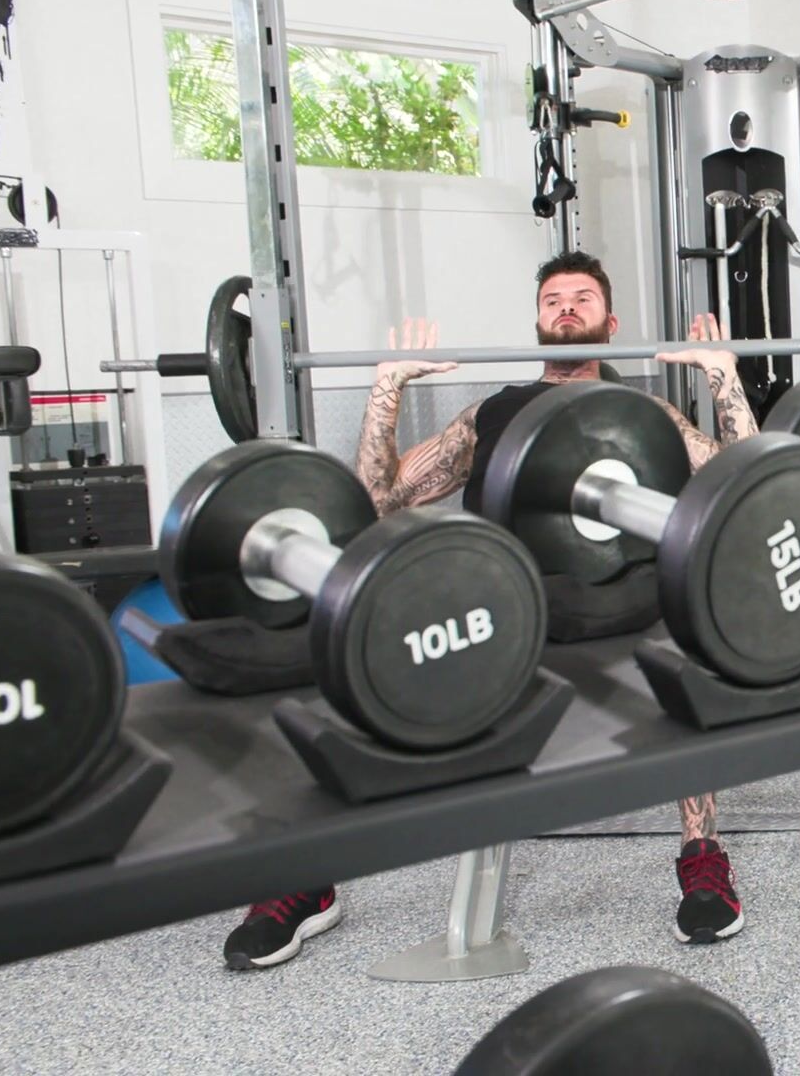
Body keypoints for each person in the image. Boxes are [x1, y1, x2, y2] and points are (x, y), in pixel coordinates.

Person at [221, 251, 756, 971]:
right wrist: (386, 389)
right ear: (537, 322)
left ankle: (702, 854)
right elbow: (378, 501)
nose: (567, 308)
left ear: (610, 323)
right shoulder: (492, 415)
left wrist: (722, 376)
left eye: (583, 298)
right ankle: (309, 878)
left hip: (623, 606)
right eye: (554, 300)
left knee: (686, 666)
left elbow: (749, 488)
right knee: (344, 668)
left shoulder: (646, 415)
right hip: (505, 611)